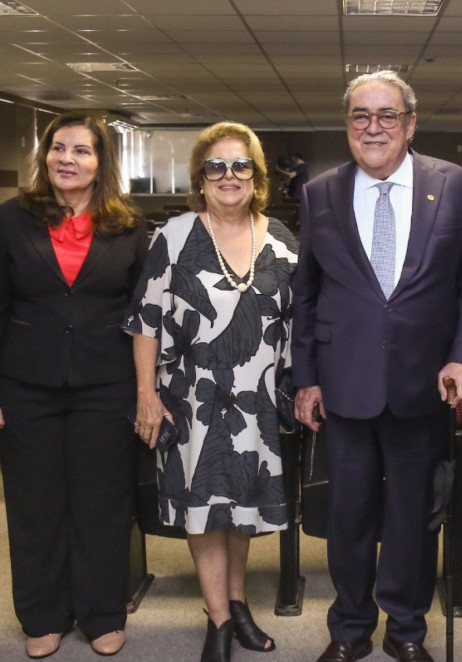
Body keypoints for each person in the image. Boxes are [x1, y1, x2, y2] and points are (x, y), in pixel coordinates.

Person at [292, 70, 462, 662]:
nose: (373, 127)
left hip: (423, 382)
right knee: (348, 516)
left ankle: (406, 628)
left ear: (410, 123)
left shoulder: (454, 185)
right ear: (347, 125)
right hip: (344, 383)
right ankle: (350, 629)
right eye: (360, 115)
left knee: (413, 516)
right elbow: (305, 294)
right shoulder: (319, 193)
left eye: (387, 115)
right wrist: (306, 377)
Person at [125, 122, 298, 662]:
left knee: (241, 504)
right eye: (216, 166)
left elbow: (297, 326)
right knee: (204, 508)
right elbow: (145, 321)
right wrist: (146, 396)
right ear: (201, 179)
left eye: (240, 165)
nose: (229, 176)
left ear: (256, 176)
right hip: (190, 398)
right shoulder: (174, 236)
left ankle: (239, 602)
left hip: (256, 402)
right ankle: (219, 618)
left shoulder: (282, 242)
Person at [0, 112, 147, 658]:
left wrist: (143, 389)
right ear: (45, 156)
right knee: (34, 503)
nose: (67, 159)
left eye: (81, 151)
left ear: (100, 162)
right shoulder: (11, 220)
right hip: (25, 383)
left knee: (102, 502)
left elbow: (142, 315)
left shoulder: (128, 225)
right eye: (58, 148)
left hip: (105, 384)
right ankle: (42, 615)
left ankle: (102, 612)